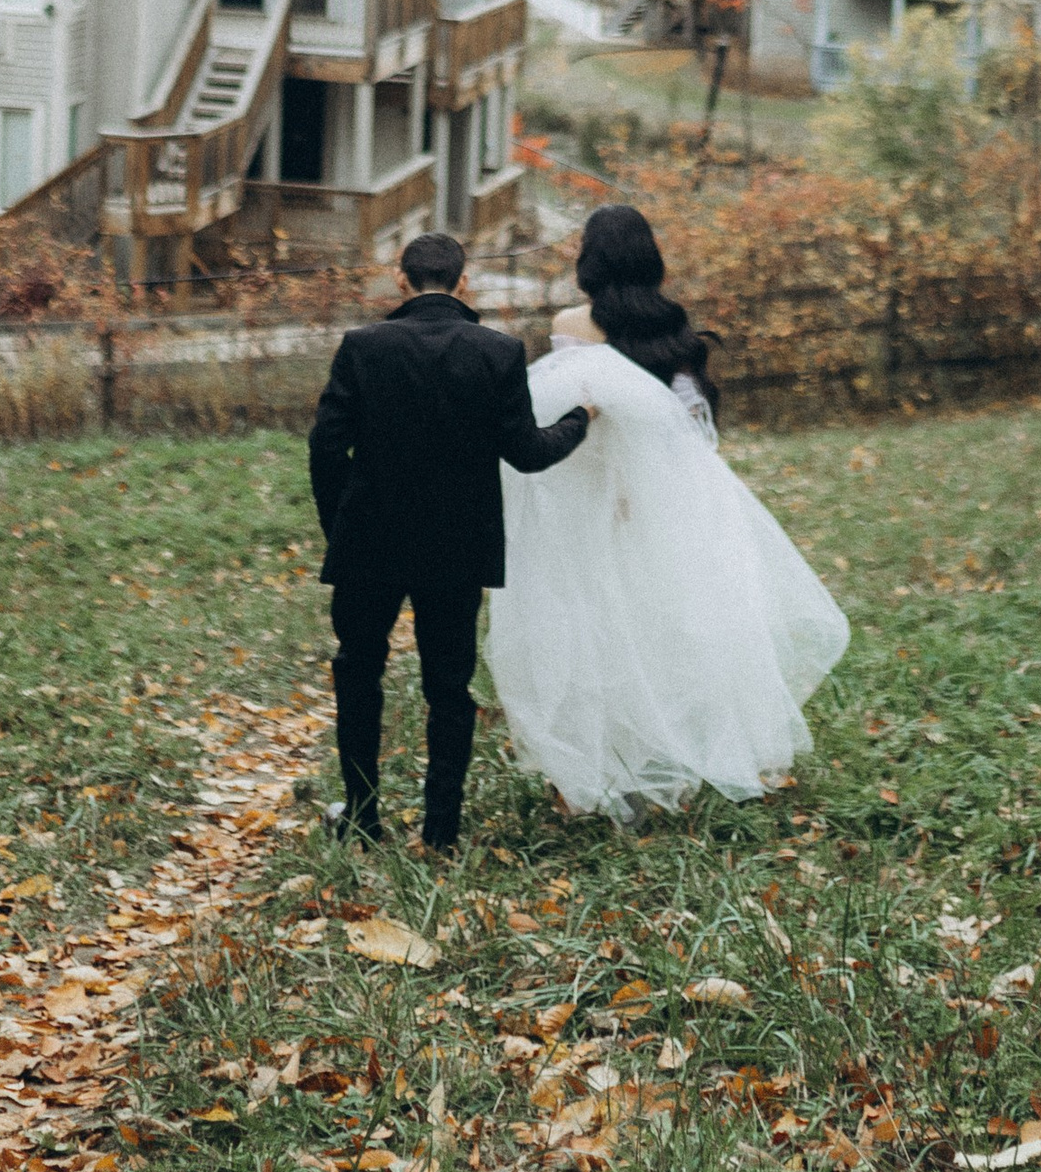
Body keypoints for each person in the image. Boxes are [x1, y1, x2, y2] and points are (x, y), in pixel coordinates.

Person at [485, 202, 850, 819]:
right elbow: (685, 423)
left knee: (598, 629)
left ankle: (602, 770)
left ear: (590, 260)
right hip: (667, 503)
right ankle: (675, 769)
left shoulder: (573, 322)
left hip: (592, 500)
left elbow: (566, 410)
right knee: (671, 625)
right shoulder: (669, 325)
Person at [308, 228, 590, 853]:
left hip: (369, 541)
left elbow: (326, 447)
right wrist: (579, 421)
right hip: (456, 547)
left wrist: (342, 527)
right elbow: (527, 454)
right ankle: (441, 832)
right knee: (449, 688)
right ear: (465, 283)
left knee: (358, 672)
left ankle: (362, 816)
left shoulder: (362, 346)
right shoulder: (498, 352)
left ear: (400, 280)